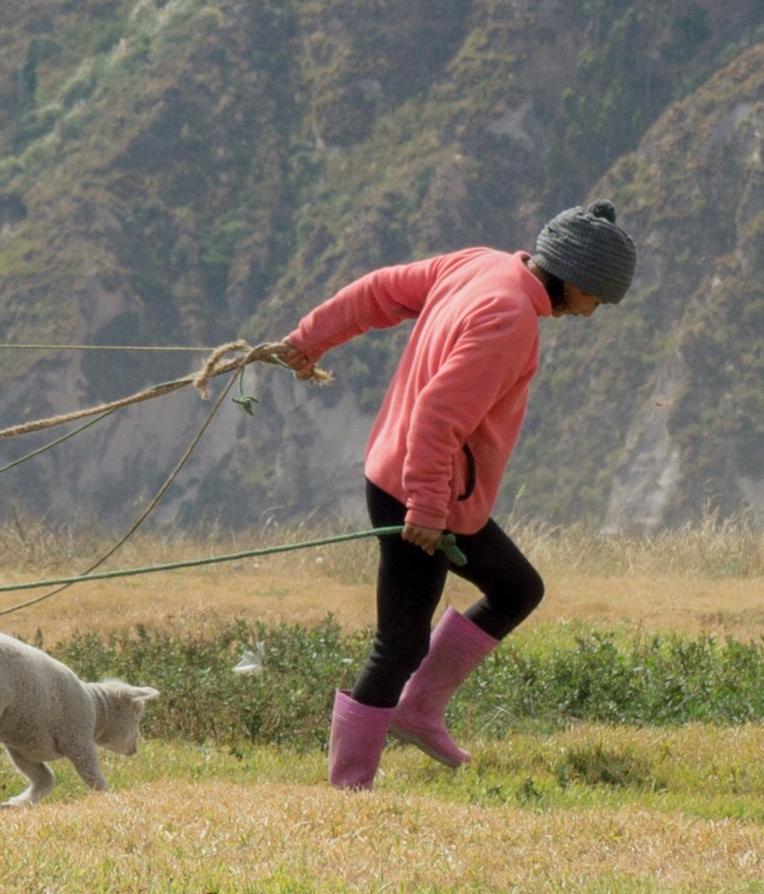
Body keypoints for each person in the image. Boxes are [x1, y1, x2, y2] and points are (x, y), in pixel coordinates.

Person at [268, 200, 639, 789]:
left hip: (419, 481)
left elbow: (377, 291)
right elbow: (438, 416)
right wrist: (426, 509)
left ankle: (417, 713)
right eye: (598, 298)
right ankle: (349, 787)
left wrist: (311, 338)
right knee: (399, 644)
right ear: (575, 280)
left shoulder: (480, 264)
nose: (593, 313)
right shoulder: (511, 317)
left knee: (516, 588)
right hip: (423, 489)